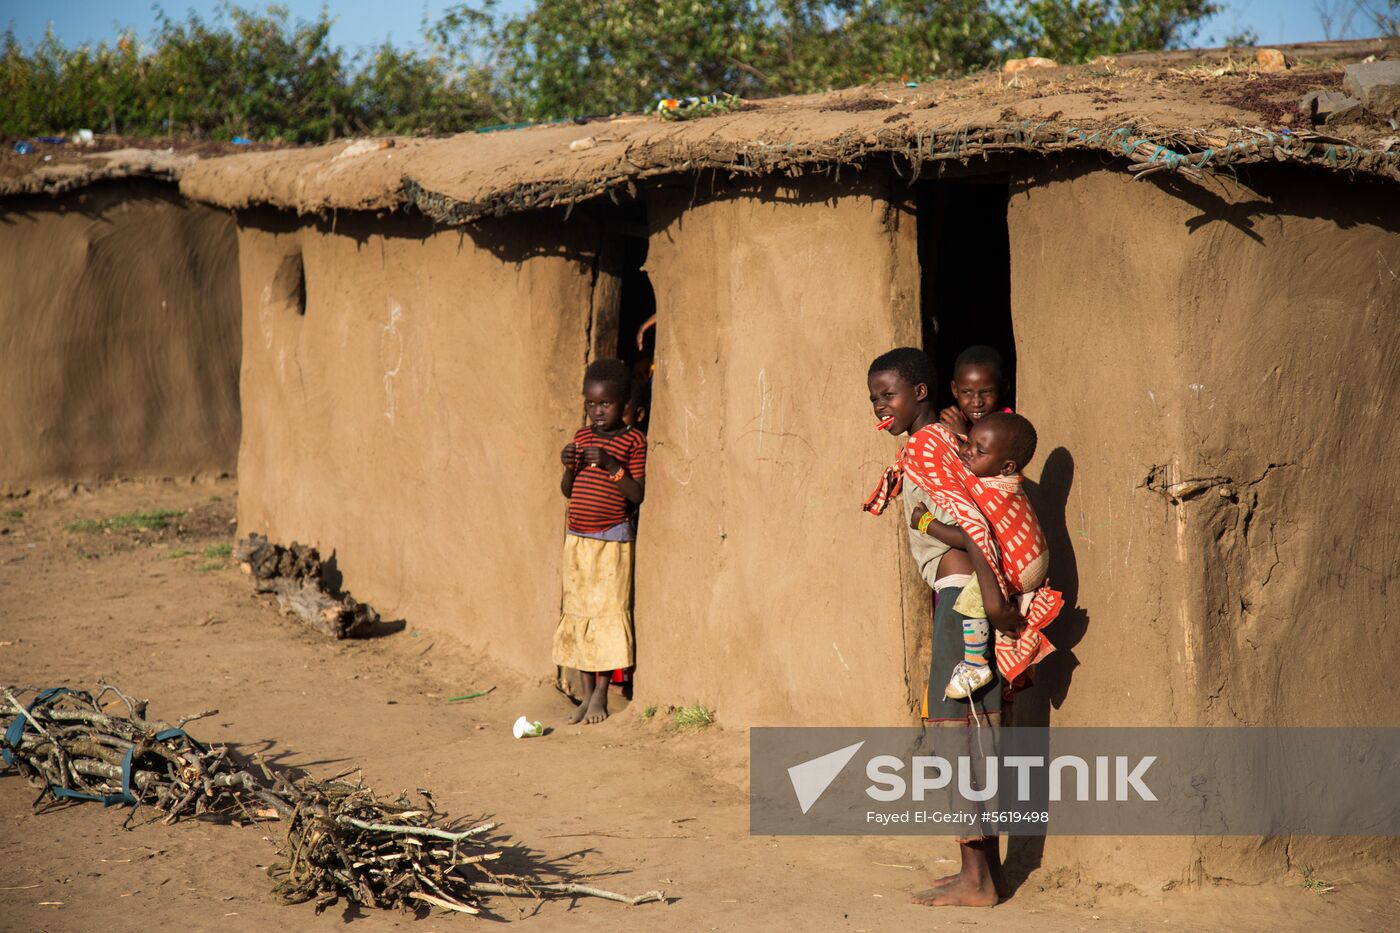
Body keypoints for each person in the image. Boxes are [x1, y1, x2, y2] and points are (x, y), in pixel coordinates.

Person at [864, 347, 1011, 908]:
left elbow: (971, 526)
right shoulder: (930, 443)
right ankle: (980, 874)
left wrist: (990, 598)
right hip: (962, 595)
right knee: (970, 729)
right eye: (874, 398)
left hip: (963, 598)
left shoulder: (929, 447)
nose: (879, 406)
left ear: (921, 393)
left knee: (960, 730)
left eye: (888, 395)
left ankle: (978, 883)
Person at [911, 412, 1045, 700]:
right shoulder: (1008, 481)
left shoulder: (985, 488)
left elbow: (972, 536)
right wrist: (965, 439)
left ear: (1006, 465)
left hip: (1021, 564)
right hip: (1034, 559)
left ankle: (976, 665)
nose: (967, 453)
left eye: (978, 450)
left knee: (977, 600)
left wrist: (927, 524)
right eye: (968, 444)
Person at [555, 358, 646, 724]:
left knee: (606, 615)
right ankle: (585, 693)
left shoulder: (632, 441)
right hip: (577, 539)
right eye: (590, 404)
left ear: (624, 405)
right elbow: (568, 491)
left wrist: (611, 465)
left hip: (612, 542)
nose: (596, 412)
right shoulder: (582, 437)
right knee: (578, 612)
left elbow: (636, 494)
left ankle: (601, 696)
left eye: (605, 404)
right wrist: (567, 466)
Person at [938, 345, 1012, 436]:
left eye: (986, 392)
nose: (976, 403)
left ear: (1003, 388)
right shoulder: (958, 420)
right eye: (966, 392)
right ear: (955, 390)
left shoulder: (1007, 426)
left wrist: (962, 436)